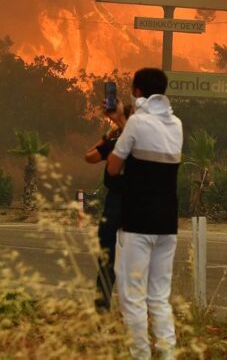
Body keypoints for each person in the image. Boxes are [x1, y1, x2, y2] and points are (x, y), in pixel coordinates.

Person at [107, 68, 183, 360]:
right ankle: (167, 354)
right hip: (167, 225)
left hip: (137, 224)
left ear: (137, 92)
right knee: (159, 298)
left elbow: (114, 166)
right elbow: (145, 139)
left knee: (132, 297)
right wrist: (124, 120)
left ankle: (140, 355)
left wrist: (118, 123)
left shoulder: (136, 123)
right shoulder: (176, 124)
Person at [84, 99, 130, 312]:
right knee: (107, 254)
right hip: (115, 201)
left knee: (136, 255)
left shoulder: (142, 143)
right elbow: (89, 156)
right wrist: (107, 136)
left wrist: (119, 120)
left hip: (134, 200)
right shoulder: (115, 144)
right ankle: (102, 303)